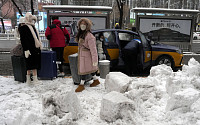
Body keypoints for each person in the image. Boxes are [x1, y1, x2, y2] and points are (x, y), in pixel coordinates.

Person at [75, 18, 100, 92]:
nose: (82, 25)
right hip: (83, 55)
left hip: (87, 56)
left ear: (87, 26)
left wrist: (95, 60)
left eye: (84, 24)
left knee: (84, 70)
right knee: (89, 69)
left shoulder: (90, 36)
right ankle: (96, 80)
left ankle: (81, 85)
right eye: (81, 24)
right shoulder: (81, 34)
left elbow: (93, 49)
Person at [18, 13, 42, 84]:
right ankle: (32, 80)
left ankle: (31, 80)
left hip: (34, 48)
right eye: (32, 20)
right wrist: (26, 49)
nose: (33, 21)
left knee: (32, 64)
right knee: (31, 65)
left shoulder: (32, 27)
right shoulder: (24, 27)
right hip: (30, 49)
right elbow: (23, 40)